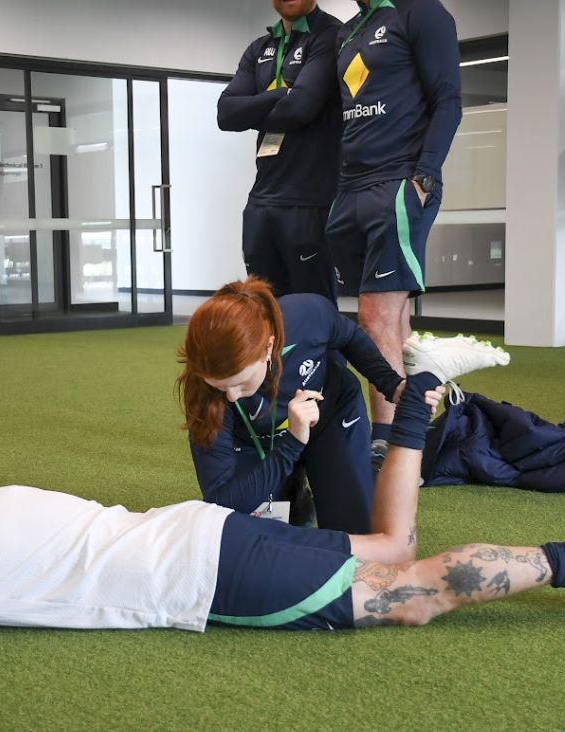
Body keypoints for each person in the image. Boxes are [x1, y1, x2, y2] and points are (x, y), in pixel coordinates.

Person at [0, 342, 565, 632]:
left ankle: (420, 393)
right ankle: (418, 390)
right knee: (393, 549)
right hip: (192, 530)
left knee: (413, 593)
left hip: (204, 575)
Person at [324, 0, 461, 469]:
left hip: (399, 182)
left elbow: (449, 99)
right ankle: (411, 431)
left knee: (374, 318)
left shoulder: (421, 12)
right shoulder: (351, 31)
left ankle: (385, 444)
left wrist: (423, 176)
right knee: (392, 319)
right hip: (351, 189)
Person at [177, 277, 407, 534]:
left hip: (326, 415)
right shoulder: (201, 392)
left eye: (241, 383)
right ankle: (294, 491)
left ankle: (363, 467)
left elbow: (350, 337)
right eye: (220, 386)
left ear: (268, 346)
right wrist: (292, 443)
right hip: (257, 441)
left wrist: (393, 385)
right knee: (244, 537)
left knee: (352, 534)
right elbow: (222, 498)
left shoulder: (308, 315)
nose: (231, 396)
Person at [217, 0, 342, 299]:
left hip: (309, 203)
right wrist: (280, 94)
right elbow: (225, 114)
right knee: (264, 312)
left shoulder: (330, 35)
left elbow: (299, 108)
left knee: (313, 310)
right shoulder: (259, 48)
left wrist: (252, 110)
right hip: (261, 203)